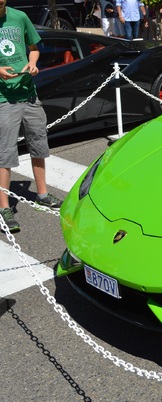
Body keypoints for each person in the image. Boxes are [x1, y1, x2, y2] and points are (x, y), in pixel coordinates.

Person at [0, 2, 63, 233]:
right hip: (3, 98)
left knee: (38, 143)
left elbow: (34, 47)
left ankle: (43, 194)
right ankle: (4, 208)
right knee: (5, 152)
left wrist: (33, 63)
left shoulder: (19, 17)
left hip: (29, 93)